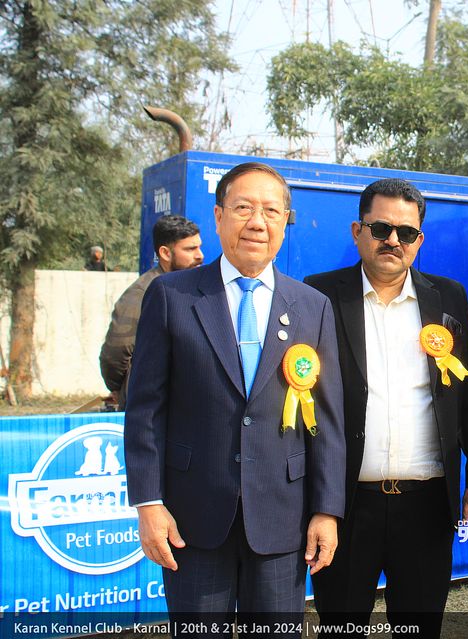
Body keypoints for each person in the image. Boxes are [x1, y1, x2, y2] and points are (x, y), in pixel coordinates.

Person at [124, 162, 346, 638]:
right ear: (219, 215)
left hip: (283, 521)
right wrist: (148, 503)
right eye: (244, 208)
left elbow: (327, 422)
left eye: (271, 211)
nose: (257, 222)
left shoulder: (312, 306)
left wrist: (327, 509)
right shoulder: (172, 296)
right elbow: (145, 411)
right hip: (192, 520)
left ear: (285, 222)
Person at [304, 178, 468, 638]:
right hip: (346, 506)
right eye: (381, 228)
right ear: (358, 231)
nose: (393, 240)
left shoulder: (448, 297)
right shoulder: (318, 295)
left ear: (419, 240)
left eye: (406, 232)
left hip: (427, 506)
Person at [99, 215, 203, 409]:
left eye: (199, 247)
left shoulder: (191, 288)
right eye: (190, 249)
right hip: (151, 409)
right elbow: (115, 352)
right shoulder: (142, 293)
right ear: (165, 253)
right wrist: (124, 389)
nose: (200, 256)